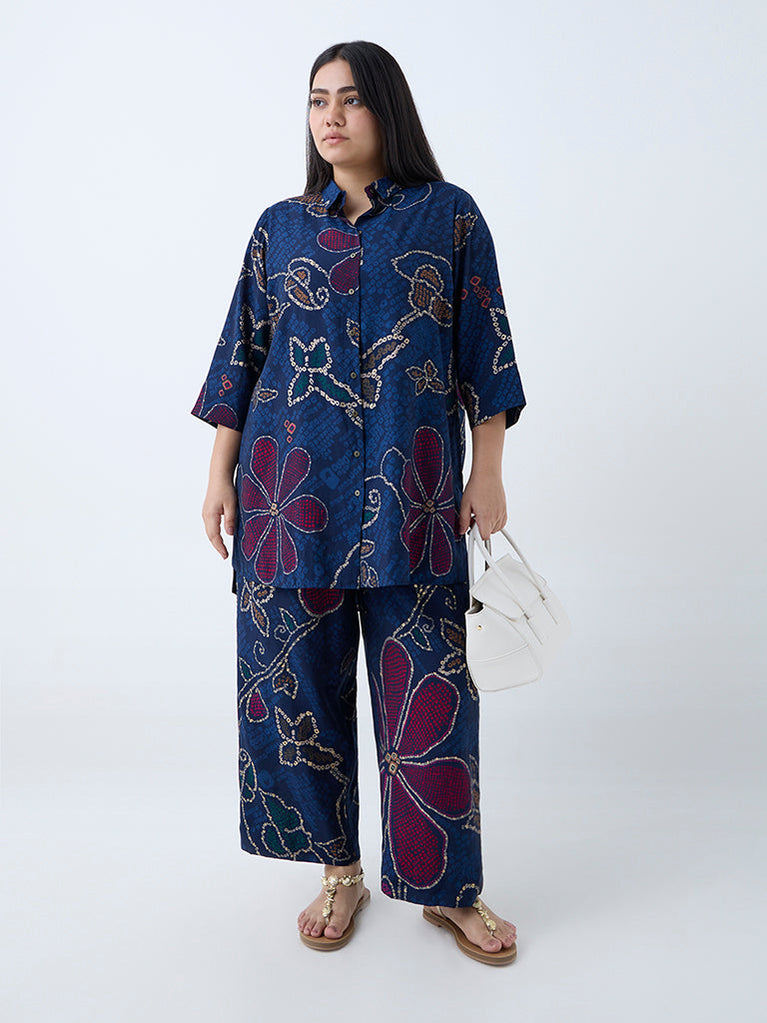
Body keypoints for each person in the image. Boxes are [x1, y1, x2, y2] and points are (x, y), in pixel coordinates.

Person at [191, 40, 525, 966]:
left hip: (414, 503)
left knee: (431, 698)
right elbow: (242, 356)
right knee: (292, 688)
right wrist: (218, 475)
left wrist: (487, 470)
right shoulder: (279, 228)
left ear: (386, 109)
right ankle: (337, 869)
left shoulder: (449, 218)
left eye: (348, 99)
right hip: (287, 497)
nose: (329, 117)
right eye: (316, 101)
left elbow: (487, 352)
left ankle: (445, 888)